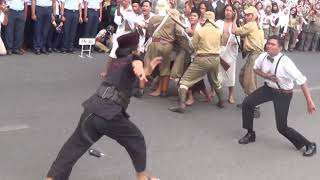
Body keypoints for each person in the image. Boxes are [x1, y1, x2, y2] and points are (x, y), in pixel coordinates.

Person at [45, 32, 161, 180]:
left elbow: (137, 76)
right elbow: (136, 64)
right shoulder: (133, 58)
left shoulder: (117, 62)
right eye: (137, 47)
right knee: (136, 140)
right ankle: (142, 178)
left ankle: (51, 178)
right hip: (109, 113)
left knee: (72, 148)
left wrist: (147, 71)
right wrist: (140, 70)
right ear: (134, 49)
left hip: (91, 110)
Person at [238, 35, 317, 157]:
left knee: (281, 127)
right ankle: (250, 133)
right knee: (248, 103)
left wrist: (309, 101)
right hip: (269, 88)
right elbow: (255, 69)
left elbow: (302, 81)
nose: (269, 45)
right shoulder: (263, 56)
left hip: (283, 94)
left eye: (273, 44)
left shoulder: (286, 63)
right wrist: (266, 76)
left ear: (280, 48)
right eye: (268, 43)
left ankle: (309, 144)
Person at [169, 11, 224, 113]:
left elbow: (192, 46)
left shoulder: (200, 30)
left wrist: (191, 35)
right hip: (216, 58)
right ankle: (221, 101)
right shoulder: (219, 31)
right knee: (215, 81)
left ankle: (181, 105)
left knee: (184, 82)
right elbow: (223, 42)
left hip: (202, 58)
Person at [232, 6, 264, 117]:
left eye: (248, 15)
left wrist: (233, 19)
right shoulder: (256, 24)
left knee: (250, 81)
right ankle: (249, 101)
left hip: (254, 55)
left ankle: (255, 107)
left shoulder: (251, 25)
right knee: (242, 77)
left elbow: (234, 31)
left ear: (253, 16)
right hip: (254, 55)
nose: (245, 17)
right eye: (245, 15)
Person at [216, 4, 238, 104]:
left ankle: (231, 94)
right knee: (216, 73)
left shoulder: (235, 24)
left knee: (230, 74)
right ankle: (213, 91)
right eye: (226, 10)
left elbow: (237, 38)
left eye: (230, 10)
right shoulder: (218, 23)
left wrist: (234, 20)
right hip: (219, 50)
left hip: (230, 52)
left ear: (233, 13)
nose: (228, 12)